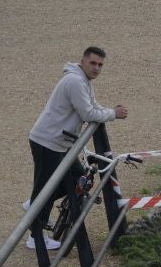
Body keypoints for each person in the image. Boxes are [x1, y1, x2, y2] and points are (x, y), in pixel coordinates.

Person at [27, 47, 128, 249]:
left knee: (78, 179)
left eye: (100, 65)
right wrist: (114, 114)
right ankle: (35, 237)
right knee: (47, 187)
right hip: (49, 141)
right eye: (93, 63)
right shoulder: (75, 81)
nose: (97, 68)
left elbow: (93, 105)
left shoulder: (84, 81)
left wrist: (108, 111)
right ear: (82, 61)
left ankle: (34, 204)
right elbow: (88, 113)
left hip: (60, 142)